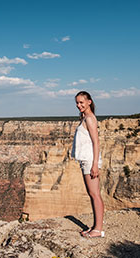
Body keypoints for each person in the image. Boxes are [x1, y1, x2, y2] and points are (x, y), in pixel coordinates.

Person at [71, 91, 105, 238]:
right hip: (86, 160)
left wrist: (95, 164)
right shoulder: (85, 118)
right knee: (92, 194)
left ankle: (98, 229)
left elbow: (96, 142)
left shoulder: (90, 118)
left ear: (89, 101)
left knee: (95, 194)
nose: (79, 105)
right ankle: (95, 226)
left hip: (90, 160)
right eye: (77, 103)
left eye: (81, 102)